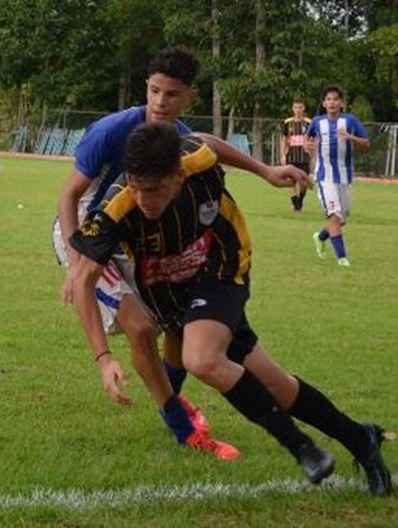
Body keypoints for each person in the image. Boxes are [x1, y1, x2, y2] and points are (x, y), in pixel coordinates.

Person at [70, 121, 393, 495]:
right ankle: (361, 439)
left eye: (154, 190)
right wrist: (103, 357)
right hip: (172, 293)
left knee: (201, 357)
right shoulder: (117, 208)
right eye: (137, 188)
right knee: (277, 385)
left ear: (178, 175)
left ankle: (301, 447)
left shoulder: (194, 159)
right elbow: (82, 280)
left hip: (222, 263)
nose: (144, 200)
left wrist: (267, 171)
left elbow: (206, 142)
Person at [55, 48, 241, 459]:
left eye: (171, 94)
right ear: (146, 88)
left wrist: (265, 172)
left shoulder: (180, 137)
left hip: (134, 235)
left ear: (188, 97)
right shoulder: (112, 130)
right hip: (90, 232)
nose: (160, 102)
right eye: (154, 91)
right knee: (140, 328)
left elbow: (209, 147)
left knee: (177, 323)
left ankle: (168, 397)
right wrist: (74, 261)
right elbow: (69, 196)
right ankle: (180, 424)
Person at [307, 85, 370, 267]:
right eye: (328, 99)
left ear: (341, 103)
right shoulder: (317, 122)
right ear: (324, 103)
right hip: (324, 177)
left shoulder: (350, 120)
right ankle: (342, 259)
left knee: (342, 220)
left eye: (335, 99)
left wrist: (351, 137)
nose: (332, 102)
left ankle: (320, 236)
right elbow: (307, 138)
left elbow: (366, 143)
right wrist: (307, 146)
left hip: (345, 177)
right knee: (335, 217)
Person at [281, 100, 312, 212]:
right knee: (291, 182)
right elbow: (284, 140)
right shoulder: (287, 123)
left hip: (304, 157)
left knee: (304, 183)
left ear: (303, 109)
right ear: (292, 109)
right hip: (291, 157)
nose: (298, 110)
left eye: (300, 107)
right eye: (296, 107)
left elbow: (314, 139)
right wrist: (283, 155)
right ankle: (296, 206)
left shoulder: (309, 123)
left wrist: (312, 153)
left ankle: (301, 200)